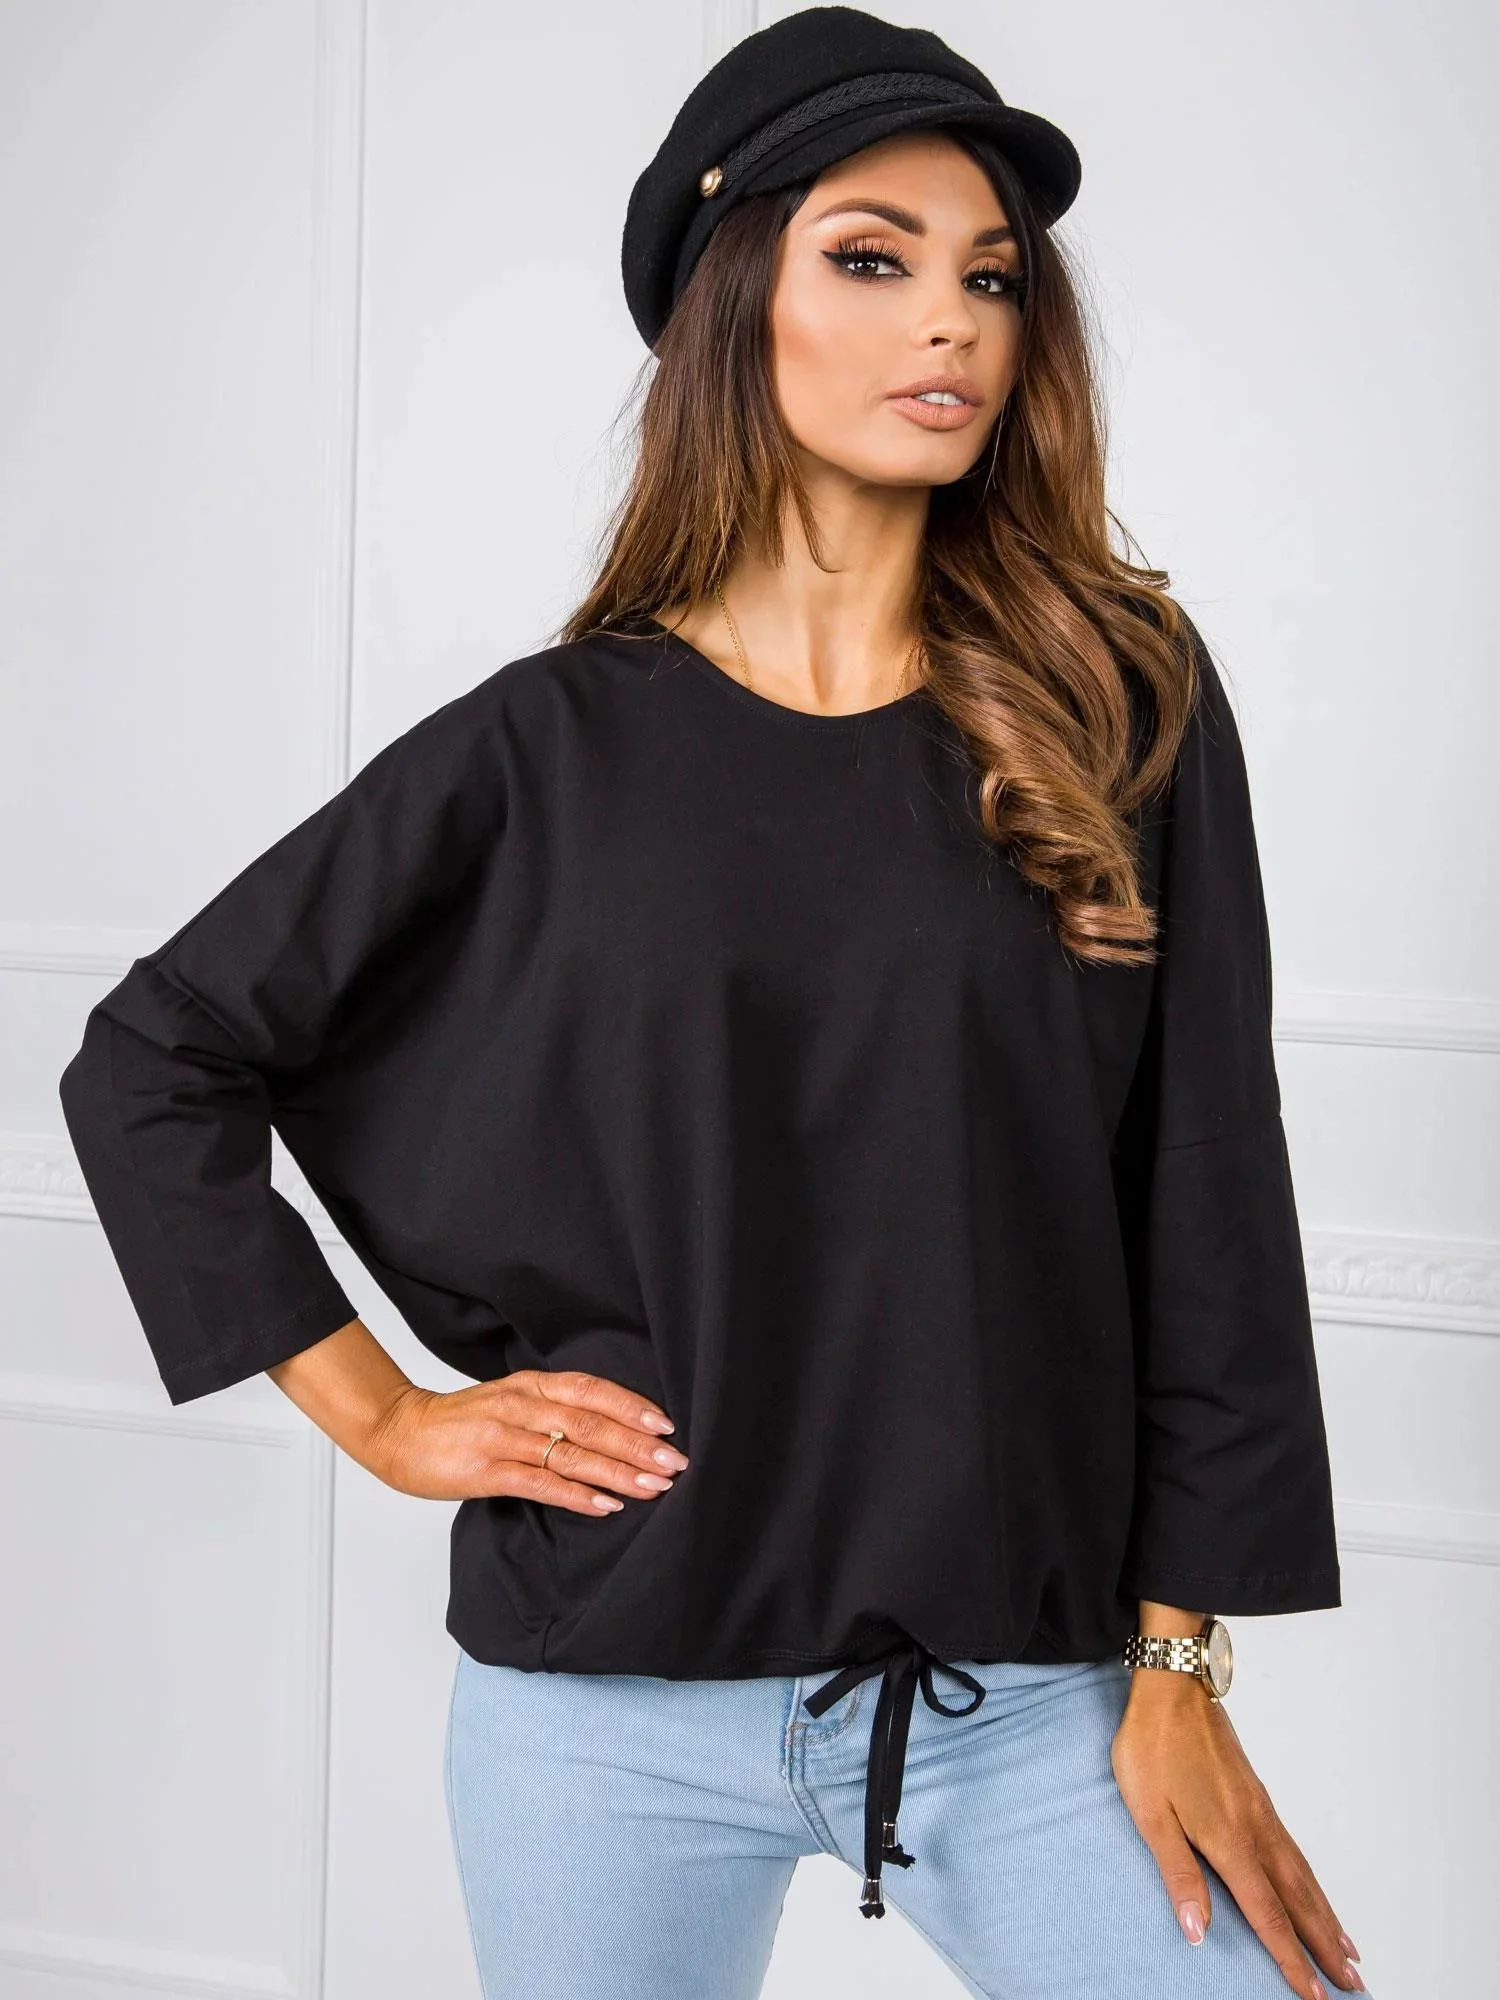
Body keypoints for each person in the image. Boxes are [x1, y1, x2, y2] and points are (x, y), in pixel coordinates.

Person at [57, 9, 1372, 1997]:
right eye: (873, 257)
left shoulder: (1118, 699)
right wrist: (387, 1415)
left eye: (991, 276)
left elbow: (1209, 1193)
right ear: (731, 291)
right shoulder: (547, 750)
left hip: (1029, 1703)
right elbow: (155, 1057)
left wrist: (1180, 1664)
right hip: (601, 1711)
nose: (950, 322)